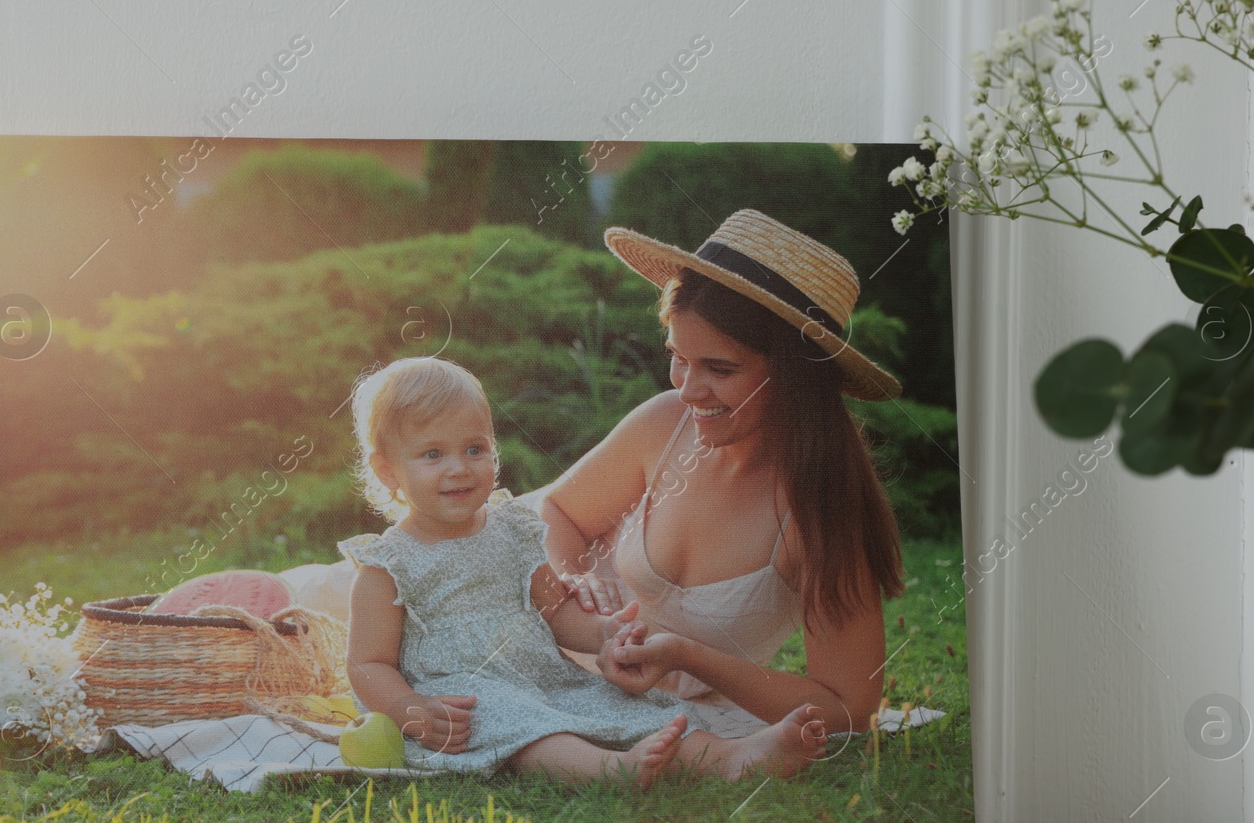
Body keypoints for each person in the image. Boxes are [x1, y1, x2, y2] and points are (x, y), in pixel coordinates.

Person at [337, 355, 828, 788]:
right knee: (522, 724)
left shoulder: (512, 529)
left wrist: (605, 634)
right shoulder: (389, 563)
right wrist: (409, 710)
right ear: (388, 471)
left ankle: (732, 756)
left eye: (474, 448)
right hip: (460, 694)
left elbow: (555, 611)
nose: (460, 468)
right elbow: (368, 663)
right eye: (432, 454)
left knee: (617, 703)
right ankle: (607, 771)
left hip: (542, 674)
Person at [538, 208, 908, 736]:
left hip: (657, 703)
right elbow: (554, 510)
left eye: (719, 369)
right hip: (561, 643)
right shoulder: (664, 425)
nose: (687, 390)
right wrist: (575, 577)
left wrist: (690, 657)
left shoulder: (821, 513)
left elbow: (849, 707)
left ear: (794, 377)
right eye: (678, 358)